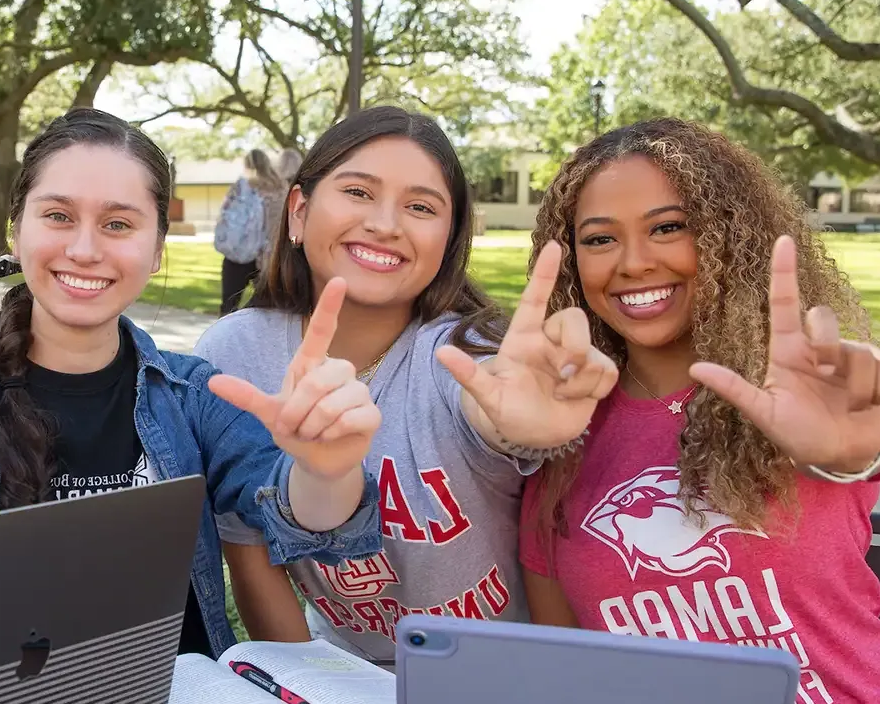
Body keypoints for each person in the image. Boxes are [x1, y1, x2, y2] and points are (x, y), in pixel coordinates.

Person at [516, 118, 880, 704]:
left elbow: (868, 444)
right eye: (600, 238)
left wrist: (855, 440)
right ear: (568, 261)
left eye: (669, 227)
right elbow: (571, 676)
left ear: (727, 235)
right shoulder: (562, 435)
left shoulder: (801, 397)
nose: (632, 262)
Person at [0, 108, 387, 656]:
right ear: (16, 231)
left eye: (118, 224)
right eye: (58, 216)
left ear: (156, 251)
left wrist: (324, 469)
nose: (85, 249)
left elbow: (310, 524)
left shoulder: (194, 396)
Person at [197, 107, 617, 658]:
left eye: (420, 207)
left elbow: (485, 401)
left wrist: (521, 429)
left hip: (501, 676)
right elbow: (247, 544)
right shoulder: (234, 353)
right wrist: (311, 701)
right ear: (298, 211)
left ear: (448, 238)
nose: (386, 224)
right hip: (347, 679)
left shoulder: (465, 353)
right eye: (358, 192)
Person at [213, 148, 280, 315]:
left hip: (238, 252)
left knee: (229, 303)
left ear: (248, 165)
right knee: (267, 308)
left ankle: (226, 338)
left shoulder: (242, 186)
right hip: (267, 257)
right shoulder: (280, 188)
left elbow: (225, 212)